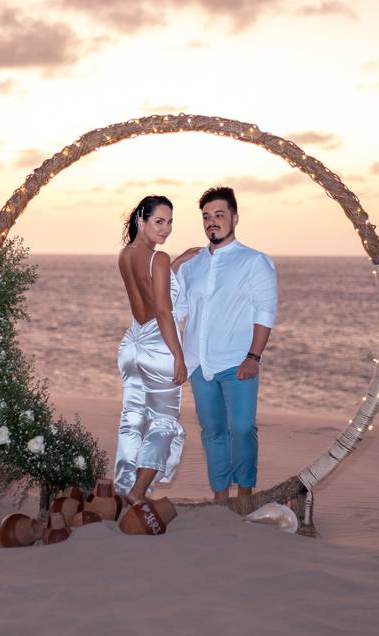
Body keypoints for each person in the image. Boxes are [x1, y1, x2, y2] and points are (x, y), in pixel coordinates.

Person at [172, 186, 278, 502]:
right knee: (212, 432)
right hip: (199, 363)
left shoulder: (255, 261)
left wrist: (253, 357)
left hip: (237, 362)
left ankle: (244, 493)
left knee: (243, 428)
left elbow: (265, 311)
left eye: (219, 215)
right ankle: (220, 497)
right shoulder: (192, 264)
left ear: (234, 217)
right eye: (206, 217)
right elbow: (177, 310)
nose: (212, 222)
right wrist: (175, 267)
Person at [114, 195, 187, 506]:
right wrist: (179, 357)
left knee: (132, 418)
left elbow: (146, 287)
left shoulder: (124, 255)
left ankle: (122, 487)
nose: (166, 229)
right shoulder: (158, 259)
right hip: (158, 347)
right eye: (159, 221)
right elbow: (162, 311)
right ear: (140, 221)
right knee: (163, 422)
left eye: (170, 222)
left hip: (131, 345)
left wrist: (174, 265)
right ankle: (137, 493)